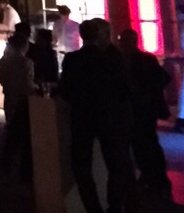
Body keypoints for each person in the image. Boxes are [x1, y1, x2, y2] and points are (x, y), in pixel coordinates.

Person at [58, 18, 135, 213]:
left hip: (82, 118)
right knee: (115, 164)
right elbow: (126, 89)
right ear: (101, 35)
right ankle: (114, 205)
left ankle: (93, 208)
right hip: (110, 118)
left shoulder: (73, 60)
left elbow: (65, 91)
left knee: (81, 167)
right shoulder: (113, 59)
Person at [118, 27, 172, 198]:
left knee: (141, 145)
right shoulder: (146, 59)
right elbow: (164, 78)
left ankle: (150, 177)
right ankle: (157, 178)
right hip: (146, 109)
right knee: (149, 143)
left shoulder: (121, 61)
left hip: (135, 109)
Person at [0, 22, 35, 180]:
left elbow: (2, 80)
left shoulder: (4, 61)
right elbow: (27, 84)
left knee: (11, 128)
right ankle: (22, 167)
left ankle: (7, 162)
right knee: (24, 132)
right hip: (23, 99)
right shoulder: (26, 63)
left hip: (9, 96)